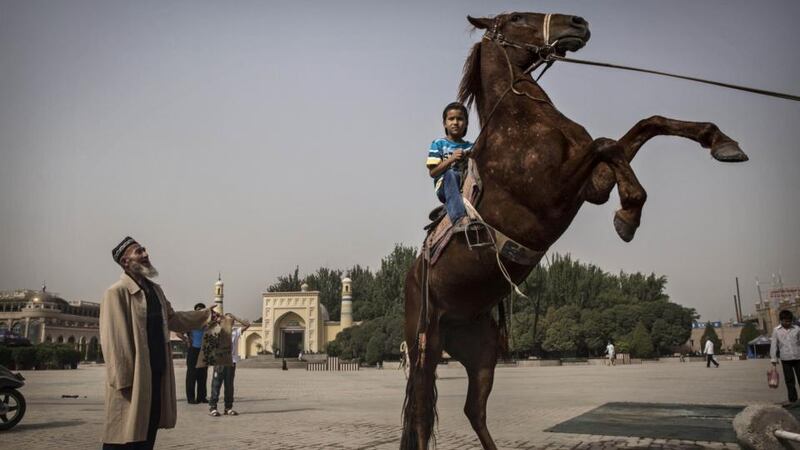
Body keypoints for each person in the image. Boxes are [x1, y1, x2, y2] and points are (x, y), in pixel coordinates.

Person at [101, 237, 217, 449]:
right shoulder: (116, 293)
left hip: (155, 375)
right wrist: (124, 382)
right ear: (126, 262)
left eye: (144, 249)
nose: (145, 254)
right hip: (133, 381)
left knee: (147, 434)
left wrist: (205, 316)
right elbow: (114, 341)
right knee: (124, 437)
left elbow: (174, 319)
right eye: (139, 251)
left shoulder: (154, 291)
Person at [426, 102, 473, 225]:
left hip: (469, 184)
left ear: (466, 123)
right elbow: (433, 172)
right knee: (451, 174)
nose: (455, 122)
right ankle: (459, 219)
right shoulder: (438, 144)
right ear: (445, 123)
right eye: (451, 119)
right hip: (445, 186)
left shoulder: (471, 147)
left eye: (460, 119)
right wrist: (451, 159)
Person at [209, 314, 250, 417]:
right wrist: (219, 318)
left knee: (229, 385)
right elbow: (209, 325)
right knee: (216, 385)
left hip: (231, 362)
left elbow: (247, 324)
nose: (229, 321)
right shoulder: (218, 331)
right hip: (220, 361)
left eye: (231, 320)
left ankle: (228, 408)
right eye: (227, 320)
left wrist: (235, 317)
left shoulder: (235, 332)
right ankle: (213, 408)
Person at [771, 310, 800, 406]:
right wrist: (774, 360)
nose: (787, 323)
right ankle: (793, 400)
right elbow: (774, 345)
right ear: (781, 320)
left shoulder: (797, 329)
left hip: (798, 357)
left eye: (789, 321)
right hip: (785, 359)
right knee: (789, 380)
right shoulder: (776, 330)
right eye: (785, 321)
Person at [184, 302, 208, 404]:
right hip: (193, 350)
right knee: (191, 375)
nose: (200, 312)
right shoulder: (190, 323)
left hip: (204, 351)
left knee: (203, 374)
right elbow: (178, 332)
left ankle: (202, 397)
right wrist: (187, 340)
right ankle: (191, 398)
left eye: (202, 310)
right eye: (198, 310)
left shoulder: (207, 323)